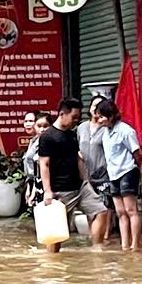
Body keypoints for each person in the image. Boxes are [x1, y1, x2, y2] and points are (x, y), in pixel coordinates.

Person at [37, 98, 108, 253]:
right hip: (61, 190)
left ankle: (96, 250)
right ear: (62, 114)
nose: (76, 121)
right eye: (74, 117)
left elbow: (77, 159)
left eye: (78, 117)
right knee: (57, 233)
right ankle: (52, 262)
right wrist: (47, 191)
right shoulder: (47, 137)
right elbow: (44, 165)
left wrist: (86, 181)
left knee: (101, 211)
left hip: (80, 186)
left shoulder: (72, 135)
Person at [97, 100, 142, 250]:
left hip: (127, 171)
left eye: (102, 116)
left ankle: (135, 244)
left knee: (131, 210)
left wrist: (138, 168)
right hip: (113, 174)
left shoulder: (125, 130)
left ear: (110, 116)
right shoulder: (105, 133)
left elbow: (137, 152)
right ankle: (124, 245)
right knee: (120, 212)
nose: (100, 120)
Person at [78, 95, 112, 242]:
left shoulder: (106, 128)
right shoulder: (81, 127)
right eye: (94, 106)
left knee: (104, 207)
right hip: (85, 173)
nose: (96, 109)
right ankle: (93, 237)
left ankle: (105, 237)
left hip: (103, 173)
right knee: (89, 207)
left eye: (100, 106)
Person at [22, 112, 52, 209]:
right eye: (26, 121)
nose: (28, 124)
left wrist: (34, 189)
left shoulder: (46, 143)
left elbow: (41, 169)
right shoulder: (34, 141)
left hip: (44, 186)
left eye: (31, 121)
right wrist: (29, 187)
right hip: (35, 185)